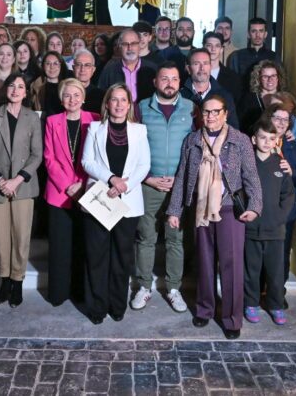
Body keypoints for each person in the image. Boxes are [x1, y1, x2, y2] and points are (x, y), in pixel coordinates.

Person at [166, 95, 263, 339]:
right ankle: (205, 309)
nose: (210, 116)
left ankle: (232, 319)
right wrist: (175, 210)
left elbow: (251, 176)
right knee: (205, 262)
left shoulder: (239, 140)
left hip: (229, 209)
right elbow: (182, 177)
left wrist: (255, 206)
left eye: (215, 111)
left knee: (231, 266)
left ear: (225, 114)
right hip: (201, 209)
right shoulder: (192, 140)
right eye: (206, 112)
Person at [81, 84, 151, 324]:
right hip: (101, 198)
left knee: (122, 257)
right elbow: (87, 162)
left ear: (129, 105)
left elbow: (144, 165)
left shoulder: (139, 131)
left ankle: (117, 306)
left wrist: (124, 185)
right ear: (107, 104)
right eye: (114, 100)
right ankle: (97, 308)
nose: (119, 105)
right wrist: (111, 179)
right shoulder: (94, 129)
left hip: (128, 200)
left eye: (124, 100)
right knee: (97, 255)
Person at [0, 74, 43, 308]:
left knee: (21, 236)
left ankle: (17, 280)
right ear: (6, 90)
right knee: (0, 234)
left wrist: (17, 180)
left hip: (23, 186)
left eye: (21, 87)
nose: (15, 90)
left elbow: (37, 155)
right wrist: (0, 179)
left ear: (26, 93)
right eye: (12, 85)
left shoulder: (32, 118)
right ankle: (4, 278)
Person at [133, 62, 195, 312]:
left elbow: (196, 148)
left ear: (180, 82)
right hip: (149, 184)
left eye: (174, 79)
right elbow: (132, 147)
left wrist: (181, 180)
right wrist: (147, 177)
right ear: (155, 82)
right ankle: (144, 287)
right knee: (146, 238)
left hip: (178, 187)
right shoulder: (141, 108)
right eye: (164, 78)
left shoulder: (191, 109)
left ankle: (173, 289)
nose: (169, 83)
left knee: (175, 239)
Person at [42, 79, 99, 306]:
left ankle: (79, 292)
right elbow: (49, 158)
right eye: (67, 95)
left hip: (88, 191)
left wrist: (82, 184)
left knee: (83, 244)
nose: (72, 100)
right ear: (61, 98)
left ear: (83, 97)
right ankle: (58, 293)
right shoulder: (52, 121)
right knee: (60, 245)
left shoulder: (95, 119)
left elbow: (98, 157)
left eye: (76, 95)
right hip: (59, 193)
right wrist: (69, 186)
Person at [243, 119, 295, 326]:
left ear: (277, 141)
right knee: (251, 270)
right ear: (254, 139)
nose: (266, 142)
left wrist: (279, 218)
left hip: (275, 230)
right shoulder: (246, 164)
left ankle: (275, 305)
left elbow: (288, 195)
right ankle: (251, 303)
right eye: (262, 137)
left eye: (271, 138)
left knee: (275, 271)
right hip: (251, 230)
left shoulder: (281, 165)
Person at [261, 103, 296, 308]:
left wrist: (292, 172)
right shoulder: (257, 140)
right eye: (276, 118)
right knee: (258, 251)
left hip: (286, 210)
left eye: (285, 120)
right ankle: (256, 291)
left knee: (281, 253)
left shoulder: (293, 146)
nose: (280, 123)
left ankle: (277, 293)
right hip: (261, 208)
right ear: (269, 119)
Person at [180, 48, 240, 129]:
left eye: (205, 63)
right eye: (196, 64)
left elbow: (234, 130)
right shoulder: (179, 96)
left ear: (210, 67)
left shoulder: (225, 96)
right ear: (188, 68)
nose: (202, 68)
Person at [97, 29, 158, 104]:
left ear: (139, 45)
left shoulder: (153, 69)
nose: (130, 48)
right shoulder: (109, 70)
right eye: (125, 44)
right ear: (120, 46)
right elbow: (101, 97)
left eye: (134, 43)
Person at [226, 17, 279, 99]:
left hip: (268, 102)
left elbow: (279, 83)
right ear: (248, 34)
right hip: (242, 103)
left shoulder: (274, 56)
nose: (257, 35)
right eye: (254, 31)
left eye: (261, 31)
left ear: (265, 34)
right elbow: (231, 84)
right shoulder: (236, 56)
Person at [238, 60, 288, 133]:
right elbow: (241, 126)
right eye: (265, 76)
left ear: (278, 78)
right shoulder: (248, 100)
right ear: (258, 79)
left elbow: (290, 122)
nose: (270, 79)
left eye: (273, 76)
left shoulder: (285, 99)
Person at [203, 31, 243, 102]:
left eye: (217, 46)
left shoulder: (233, 77)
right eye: (209, 45)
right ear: (203, 47)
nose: (213, 49)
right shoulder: (195, 74)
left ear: (221, 49)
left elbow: (236, 102)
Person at [31, 51, 70, 118]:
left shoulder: (69, 86)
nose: (52, 67)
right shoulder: (35, 86)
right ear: (43, 66)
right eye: (48, 63)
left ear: (61, 65)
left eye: (55, 63)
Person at [73, 49, 105, 114]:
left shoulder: (102, 95)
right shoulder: (65, 93)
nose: (82, 69)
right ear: (73, 68)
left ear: (93, 70)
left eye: (87, 65)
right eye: (79, 64)